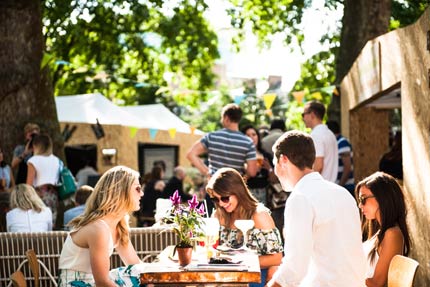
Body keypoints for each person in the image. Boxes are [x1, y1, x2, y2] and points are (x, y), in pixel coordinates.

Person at [267, 130, 365, 287]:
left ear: (283, 160)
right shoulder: (343, 193)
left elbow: (294, 269)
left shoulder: (300, 197)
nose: (275, 172)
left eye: (275, 164)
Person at [58, 165, 144, 286]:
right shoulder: (98, 228)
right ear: (120, 192)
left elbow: (135, 265)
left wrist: (160, 271)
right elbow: (102, 282)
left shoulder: (119, 225)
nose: (142, 194)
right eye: (137, 189)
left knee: (139, 273)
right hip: (75, 283)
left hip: (92, 282)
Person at [206, 168, 283, 287]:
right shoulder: (219, 215)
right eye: (215, 199)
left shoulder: (259, 215)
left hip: (253, 276)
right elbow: (212, 249)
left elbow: (276, 258)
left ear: (238, 192)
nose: (220, 203)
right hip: (225, 275)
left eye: (225, 198)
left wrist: (239, 262)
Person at [356, 171, 411, 287]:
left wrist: (344, 271)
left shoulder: (392, 234)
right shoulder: (381, 232)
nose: (360, 205)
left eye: (363, 199)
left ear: (382, 198)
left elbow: (377, 283)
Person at [187, 103, 257, 178]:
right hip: (235, 185)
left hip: (214, 185)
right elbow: (252, 172)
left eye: (222, 118)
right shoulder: (248, 142)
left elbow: (191, 154)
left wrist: (208, 173)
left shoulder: (211, 137)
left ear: (226, 118)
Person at [26, 134, 61, 226]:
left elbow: (28, 185)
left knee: (38, 225)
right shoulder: (57, 160)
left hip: (38, 196)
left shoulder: (33, 160)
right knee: (50, 225)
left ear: (36, 146)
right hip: (53, 195)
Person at [301, 100, 338, 182]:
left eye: (303, 114)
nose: (303, 118)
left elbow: (318, 165)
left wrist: (308, 183)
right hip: (331, 185)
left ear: (312, 114)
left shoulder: (316, 135)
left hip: (321, 188)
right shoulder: (329, 133)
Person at [241, 125, 273, 205]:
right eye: (248, 135)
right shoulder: (240, 156)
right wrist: (250, 173)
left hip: (266, 196)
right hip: (248, 196)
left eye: (254, 134)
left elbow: (274, 179)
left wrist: (269, 168)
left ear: (258, 137)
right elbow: (238, 182)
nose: (251, 137)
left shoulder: (266, 155)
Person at [327, 120, 355, 196]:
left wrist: (339, 186)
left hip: (346, 188)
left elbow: (347, 167)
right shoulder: (336, 142)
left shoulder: (342, 142)